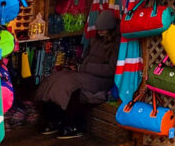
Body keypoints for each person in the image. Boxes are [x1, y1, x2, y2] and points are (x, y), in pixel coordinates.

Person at [36, 8, 119, 138]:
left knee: (70, 84)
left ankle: (71, 124)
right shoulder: (95, 40)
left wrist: (83, 67)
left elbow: (110, 69)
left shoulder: (115, 44)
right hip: (86, 74)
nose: (101, 31)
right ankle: (54, 119)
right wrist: (76, 65)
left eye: (104, 29)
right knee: (55, 77)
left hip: (101, 80)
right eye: (99, 28)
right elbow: (86, 58)